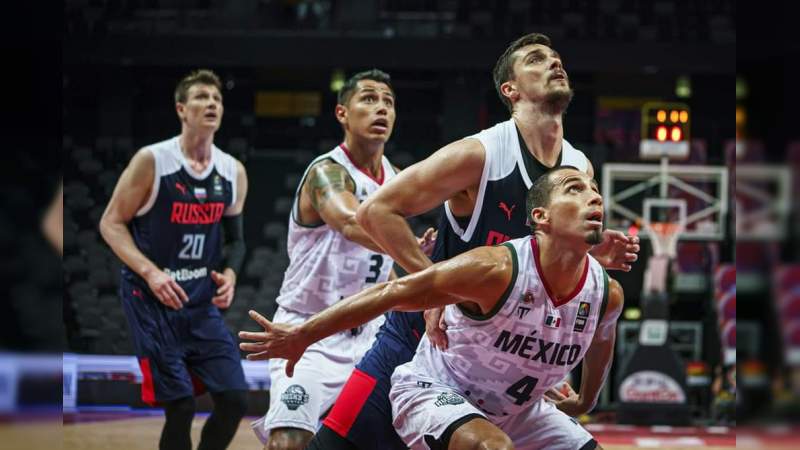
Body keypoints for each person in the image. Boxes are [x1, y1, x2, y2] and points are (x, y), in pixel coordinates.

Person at [245, 32, 638, 450]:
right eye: (537, 59)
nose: (554, 62)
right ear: (510, 89)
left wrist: (590, 251)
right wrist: (437, 293)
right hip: (427, 333)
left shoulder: (578, 167)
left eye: (556, 57)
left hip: (496, 345)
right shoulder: (483, 153)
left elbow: (541, 251)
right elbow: (375, 211)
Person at [242, 167, 623, 449]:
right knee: (491, 448)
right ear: (540, 217)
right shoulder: (495, 269)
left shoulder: (606, 293)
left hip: (519, 409)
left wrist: (587, 399)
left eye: (595, 191)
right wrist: (303, 335)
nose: (594, 197)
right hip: (438, 389)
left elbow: (602, 342)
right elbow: (394, 291)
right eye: (576, 189)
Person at [250, 69, 434, 450]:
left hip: (370, 335)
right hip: (311, 330)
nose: (381, 107)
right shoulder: (326, 172)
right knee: (290, 438)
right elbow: (352, 222)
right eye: (368, 98)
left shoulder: (396, 179)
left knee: (387, 437)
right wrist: (424, 265)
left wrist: (415, 252)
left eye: (388, 101)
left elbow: (390, 260)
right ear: (341, 113)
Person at [99, 69, 249, 450]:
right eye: (201, 97)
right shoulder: (152, 161)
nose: (212, 103)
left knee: (234, 400)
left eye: (216, 98)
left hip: (199, 305)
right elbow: (110, 223)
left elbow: (237, 242)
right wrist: (151, 274)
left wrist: (230, 274)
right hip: (151, 302)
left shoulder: (233, 171)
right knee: (180, 407)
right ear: (181, 108)